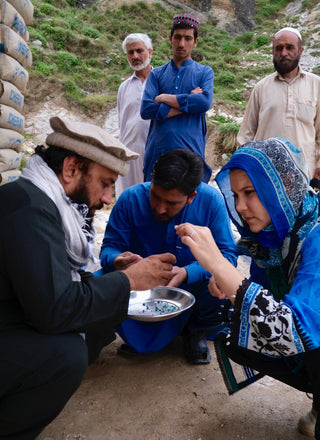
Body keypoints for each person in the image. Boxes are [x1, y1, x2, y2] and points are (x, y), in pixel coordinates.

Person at [0, 116, 176, 439]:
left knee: (100, 316)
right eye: (106, 183)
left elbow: (60, 286)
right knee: (66, 356)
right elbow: (54, 308)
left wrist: (118, 277)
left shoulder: (45, 203)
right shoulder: (28, 208)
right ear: (71, 169)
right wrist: (130, 281)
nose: (109, 197)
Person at [175, 137, 320, 438]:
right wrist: (228, 283)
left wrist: (218, 264)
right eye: (236, 195)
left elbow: (286, 327)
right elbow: (262, 294)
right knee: (236, 338)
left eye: (250, 193)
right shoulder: (272, 239)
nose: (240, 207)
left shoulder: (315, 237)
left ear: (286, 184)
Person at [100, 149, 237, 364]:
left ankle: (196, 330)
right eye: (155, 196)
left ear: (192, 196)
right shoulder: (130, 199)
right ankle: (136, 335)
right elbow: (109, 249)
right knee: (100, 280)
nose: (161, 208)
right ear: (152, 179)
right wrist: (117, 260)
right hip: (142, 289)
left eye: (172, 203)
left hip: (190, 287)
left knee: (218, 279)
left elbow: (228, 256)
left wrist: (187, 272)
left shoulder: (211, 202)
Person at [237, 27, 320, 180]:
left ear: (301, 51)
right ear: (273, 52)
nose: (283, 53)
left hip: (305, 177)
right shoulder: (261, 88)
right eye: (279, 48)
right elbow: (246, 136)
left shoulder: (316, 85)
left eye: (290, 47)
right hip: (266, 177)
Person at [140, 13, 214, 183]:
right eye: (178, 37)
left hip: (191, 154)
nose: (182, 44)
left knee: (189, 204)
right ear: (170, 38)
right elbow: (146, 109)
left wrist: (165, 98)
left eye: (188, 38)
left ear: (195, 42)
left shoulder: (204, 72)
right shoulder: (157, 74)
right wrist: (189, 100)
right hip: (157, 153)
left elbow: (204, 102)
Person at [115, 33, 153, 199]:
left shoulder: (161, 80)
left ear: (150, 52)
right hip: (129, 153)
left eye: (139, 51)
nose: (135, 56)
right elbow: (122, 122)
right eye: (130, 53)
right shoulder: (124, 87)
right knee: (130, 199)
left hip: (155, 151)